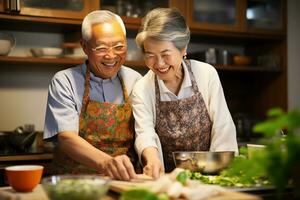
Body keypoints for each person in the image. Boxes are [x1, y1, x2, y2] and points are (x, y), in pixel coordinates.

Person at [132, 7, 238, 178]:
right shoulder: (142, 88)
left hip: (211, 175)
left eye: (165, 54)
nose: (159, 64)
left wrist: (220, 177)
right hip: (166, 178)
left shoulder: (206, 74)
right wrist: (152, 160)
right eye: (150, 55)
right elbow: (145, 133)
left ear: (183, 49)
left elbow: (222, 128)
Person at [43, 10, 142, 180]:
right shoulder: (64, 81)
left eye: (119, 47)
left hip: (124, 180)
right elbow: (67, 138)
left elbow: (144, 131)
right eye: (102, 48)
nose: (111, 56)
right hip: (75, 183)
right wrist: (108, 163)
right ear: (85, 47)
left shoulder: (136, 81)